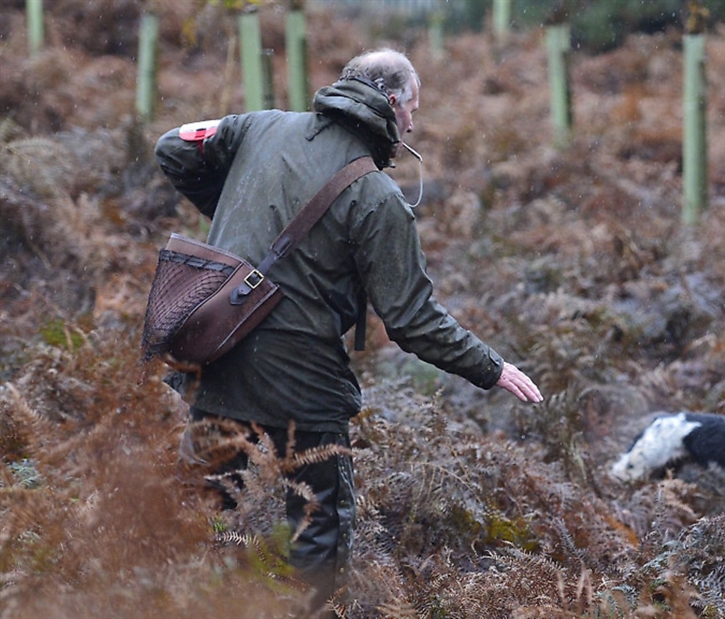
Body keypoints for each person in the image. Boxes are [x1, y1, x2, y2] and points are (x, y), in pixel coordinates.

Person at [154, 48, 542, 614]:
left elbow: (173, 147)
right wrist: (494, 368)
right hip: (303, 388)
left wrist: (234, 219)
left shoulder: (260, 127)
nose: (413, 122)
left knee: (203, 508)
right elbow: (412, 322)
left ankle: (208, 580)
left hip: (215, 350)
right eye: (412, 108)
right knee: (316, 529)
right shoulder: (378, 198)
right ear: (390, 103)